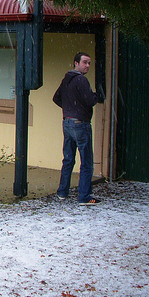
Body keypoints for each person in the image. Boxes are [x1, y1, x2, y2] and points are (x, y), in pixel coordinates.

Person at [53, 52, 101, 206]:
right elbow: (90, 101)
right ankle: (85, 197)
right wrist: (97, 96)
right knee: (86, 162)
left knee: (68, 159)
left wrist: (69, 108)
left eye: (89, 63)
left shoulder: (67, 79)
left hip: (67, 122)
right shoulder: (81, 80)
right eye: (85, 62)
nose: (87, 66)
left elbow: (56, 98)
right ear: (76, 63)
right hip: (81, 124)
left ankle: (62, 191)